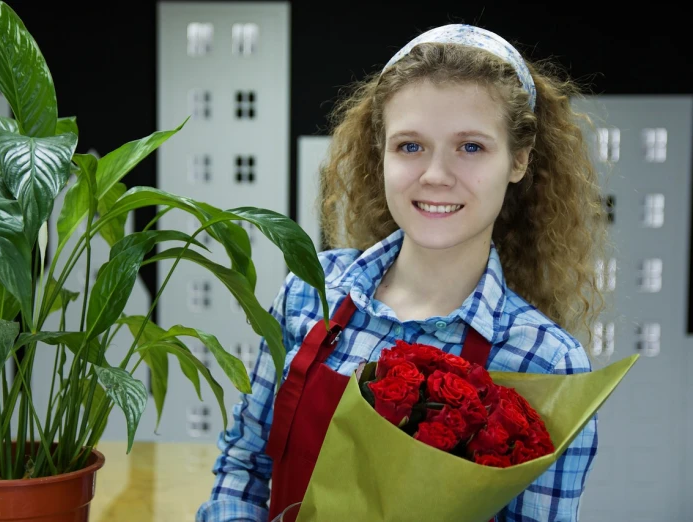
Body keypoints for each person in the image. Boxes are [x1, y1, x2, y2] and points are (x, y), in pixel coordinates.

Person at [196, 23, 609, 522]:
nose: (435, 175)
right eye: (410, 146)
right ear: (381, 153)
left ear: (518, 160)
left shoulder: (546, 361)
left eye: (471, 147)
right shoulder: (312, 292)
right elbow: (243, 467)